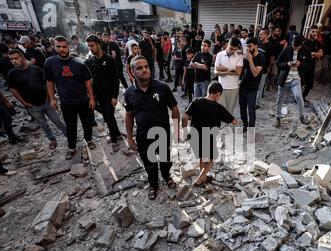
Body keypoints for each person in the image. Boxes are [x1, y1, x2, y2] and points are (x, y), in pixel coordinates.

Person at [124, 56, 180, 200]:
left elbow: (174, 108)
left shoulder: (162, 87)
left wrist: (177, 130)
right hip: (143, 136)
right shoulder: (129, 92)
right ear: (132, 72)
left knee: (165, 160)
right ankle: (153, 184)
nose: (144, 70)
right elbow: (129, 115)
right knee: (149, 164)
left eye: (146, 66)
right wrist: (130, 138)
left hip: (162, 133)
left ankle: (167, 176)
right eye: (139, 68)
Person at [44, 36, 96, 160]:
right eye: (58, 47)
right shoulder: (50, 63)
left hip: (83, 100)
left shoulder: (79, 63)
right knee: (70, 126)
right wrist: (52, 98)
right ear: (54, 47)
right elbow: (50, 82)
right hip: (67, 102)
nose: (61, 49)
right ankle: (71, 147)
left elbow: (88, 81)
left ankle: (89, 140)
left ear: (68, 47)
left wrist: (92, 98)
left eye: (64, 46)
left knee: (87, 123)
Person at [8, 49, 66, 150]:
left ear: (22, 57)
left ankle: (68, 134)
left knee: (57, 121)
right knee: (43, 125)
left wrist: (49, 97)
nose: (13, 61)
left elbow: (46, 83)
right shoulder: (12, 74)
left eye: (16, 58)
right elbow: (13, 89)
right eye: (11, 59)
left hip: (46, 102)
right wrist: (24, 102)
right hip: (32, 106)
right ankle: (52, 139)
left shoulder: (36, 69)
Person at [182, 82, 239, 187]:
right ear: (218, 94)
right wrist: (237, 121)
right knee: (212, 158)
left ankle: (203, 177)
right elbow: (233, 121)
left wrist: (185, 132)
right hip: (208, 137)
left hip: (194, 135)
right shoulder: (218, 108)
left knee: (203, 157)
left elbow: (184, 117)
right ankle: (199, 180)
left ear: (208, 91)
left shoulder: (196, 101)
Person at [85, 35, 121, 152]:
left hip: (109, 95)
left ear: (98, 45)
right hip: (98, 95)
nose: (90, 48)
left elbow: (115, 79)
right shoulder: (91, 61)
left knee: (109, 117)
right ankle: (117, 134)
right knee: (106, 116)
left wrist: (115, 96)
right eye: (88, 46)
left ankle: (114, 140)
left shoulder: (110, 60)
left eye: (92, 46)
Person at [275, 35, 310, 128]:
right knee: (280, 98)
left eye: (297, 47)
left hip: (296, 78)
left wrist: (301, 64)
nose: (295, 48)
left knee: (298, 96)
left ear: (301, 45)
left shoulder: (306, 50)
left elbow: (309, 65)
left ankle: (302, 117)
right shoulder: (287, 49)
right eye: (294, 46)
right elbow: (278, 63)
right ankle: (277, 118)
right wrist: (287, 64)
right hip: (284, 79)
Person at [239, 37, 265, 131]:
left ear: (256, 46)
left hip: (252, 88)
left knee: (251, 110)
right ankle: (245, 125)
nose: (248, 49)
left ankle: (251, 129)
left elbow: (255, 73)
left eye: (250, 46)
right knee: (242, 109)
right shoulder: (246, 55)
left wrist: (250, 60)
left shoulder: (261, 57)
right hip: (243, 86)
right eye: (247, 47)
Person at [214, 38, 244, 115]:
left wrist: (224, 69)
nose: (232, 51)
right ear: (227, 45)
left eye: (234, 49)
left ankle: (228, 127)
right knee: (220, 109)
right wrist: (229, 71)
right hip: (221, 87)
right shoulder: (220, 55)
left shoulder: (239, 56)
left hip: (233, 88)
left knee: (230, 110)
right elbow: (216, 72)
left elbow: (238, 72)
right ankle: (221, 127)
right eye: (231, 48)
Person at [302, 25, 323, 102]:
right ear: (309, 31)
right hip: (303, 65)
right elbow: (304, 54)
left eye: (316, 32)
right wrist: (314, 54)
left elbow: (321, 54)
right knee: (301, 83)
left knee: (310, 84)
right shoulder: (304, 42)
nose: (314, 33)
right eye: (313, 31)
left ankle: (303, 96)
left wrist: (313, 53)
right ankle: (297, 97)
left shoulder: (317, 42)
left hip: (311, 66)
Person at [256, 28, 273, 107]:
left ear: (266, 35)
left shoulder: (270, 45)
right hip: (256, 68)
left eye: (261, 34)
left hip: (263, 70)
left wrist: (269, 68)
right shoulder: (259, 43)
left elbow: (271, 58)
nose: (259, 35)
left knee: (260, 87)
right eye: (259, 34)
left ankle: (257, 103)